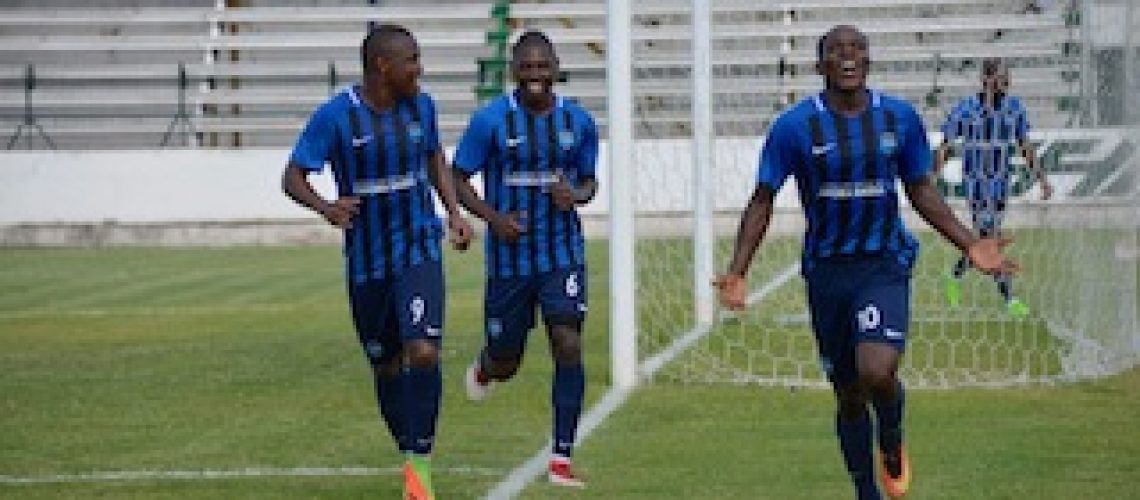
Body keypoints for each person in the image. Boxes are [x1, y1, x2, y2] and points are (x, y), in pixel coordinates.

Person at [713, 25, 1019, 500]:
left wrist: (968, 243)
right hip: (827, 272)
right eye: (836, 50)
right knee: (849, 393)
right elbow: (763, 199)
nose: (848, 56)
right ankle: (865, 491)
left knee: (876, 370)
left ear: (869, 60)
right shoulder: (794, 127)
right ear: (820, 66)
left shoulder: (899, 118)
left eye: (857, 49)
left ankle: (891, 439)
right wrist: (738, 271)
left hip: (883, 264)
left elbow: (920, 188)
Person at [280, 24, 473, 500]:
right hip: (367, 261)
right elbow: (293, 176)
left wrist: (453, 212)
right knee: (386, 365)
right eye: (411, 60)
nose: (419, 70)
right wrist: (327, 208)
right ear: (382, 66)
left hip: (418, 246)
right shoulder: (336, 116)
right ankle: (410, 454)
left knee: (422, 350)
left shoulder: (422, 107)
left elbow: (435, 157)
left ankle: (420, 469)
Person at [451, 30, 598, 488]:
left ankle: (562, 457)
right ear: (514, 71)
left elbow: (590, 182)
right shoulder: (490, 121)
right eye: (527, 67)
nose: (536, 75)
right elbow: (457, 178)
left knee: (567, 341)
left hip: (562, 254)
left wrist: (575, 195)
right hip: (509, 260)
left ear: (556, 69)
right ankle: (487, 366)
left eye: (543, 66)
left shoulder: (578, 121)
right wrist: (494, 219)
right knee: (507, 360)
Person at [936, 57, 1052, 318]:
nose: (1006, 81)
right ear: (986, 79)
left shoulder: (1014, 108)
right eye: (1000, 76)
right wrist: (934, 175)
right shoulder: (967, 108)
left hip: (1001, 182)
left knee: (986, 241)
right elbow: (946, 144)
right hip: (976, 184)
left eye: (1007, 76)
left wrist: (1042, 179)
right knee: (990, 239)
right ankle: (1010, 299)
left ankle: (954, 275)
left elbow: (1024, 145)